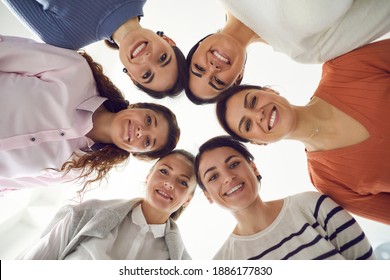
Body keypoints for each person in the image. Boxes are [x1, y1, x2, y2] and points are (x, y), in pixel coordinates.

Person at [215, 39, 390, 224]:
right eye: (248, 125)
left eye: (253, 102)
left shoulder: (344, 67)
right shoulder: (329, 183)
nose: (258, 115)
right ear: (259, 142)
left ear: (271, 91)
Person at [0, 35, 180, 195]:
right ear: (137, 106)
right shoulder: (75, 71)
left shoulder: (74, 169)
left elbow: (7, 184)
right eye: (149, 120)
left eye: (148, 142)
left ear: (136, 153)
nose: (142, 131)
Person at [195, 135, 375, 260]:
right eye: (213, 177)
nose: (228, 177)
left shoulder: (312, 206)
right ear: (208, 196)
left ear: (254, 168)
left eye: (234, 164)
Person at [185, 0, 390, 104]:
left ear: (200, 44)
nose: (212, 68)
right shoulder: (303, 50)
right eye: (217, 81)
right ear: (239, 77)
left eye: (199, 68)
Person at [16, 149, 196, 259]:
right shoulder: (86, 214)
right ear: (148, 176)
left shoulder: (180, 263)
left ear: (187, 199)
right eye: (164, 171)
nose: (169, 183)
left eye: (183, 182)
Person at [3, 0, 187, 98]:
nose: (147, 59)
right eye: (163, 58)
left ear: (131, 76)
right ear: (168, 40)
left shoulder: (65, 39)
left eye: (146, 75)